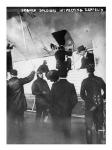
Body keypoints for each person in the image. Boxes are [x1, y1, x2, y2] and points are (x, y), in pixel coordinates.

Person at [50, 69, 78, 143]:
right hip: (67, 112)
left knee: (57, 133)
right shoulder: (71, 85)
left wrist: (52, 111)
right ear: (67, 75)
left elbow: (51, 100)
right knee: (67, 132)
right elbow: (75, 100)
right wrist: (69, 108)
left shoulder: (54, 85)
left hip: (56, 113)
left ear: (59, 75)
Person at [80, 64, 106, 144]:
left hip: (89, 106)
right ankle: (99, 142)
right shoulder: (100, 79)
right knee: (99, 124)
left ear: (87, 71)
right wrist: (102, 97)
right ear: (94, 70)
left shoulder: (85, 81)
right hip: (99, 104)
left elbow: (82, 94)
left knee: (89, 126)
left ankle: (90, 144)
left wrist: (87, 100)